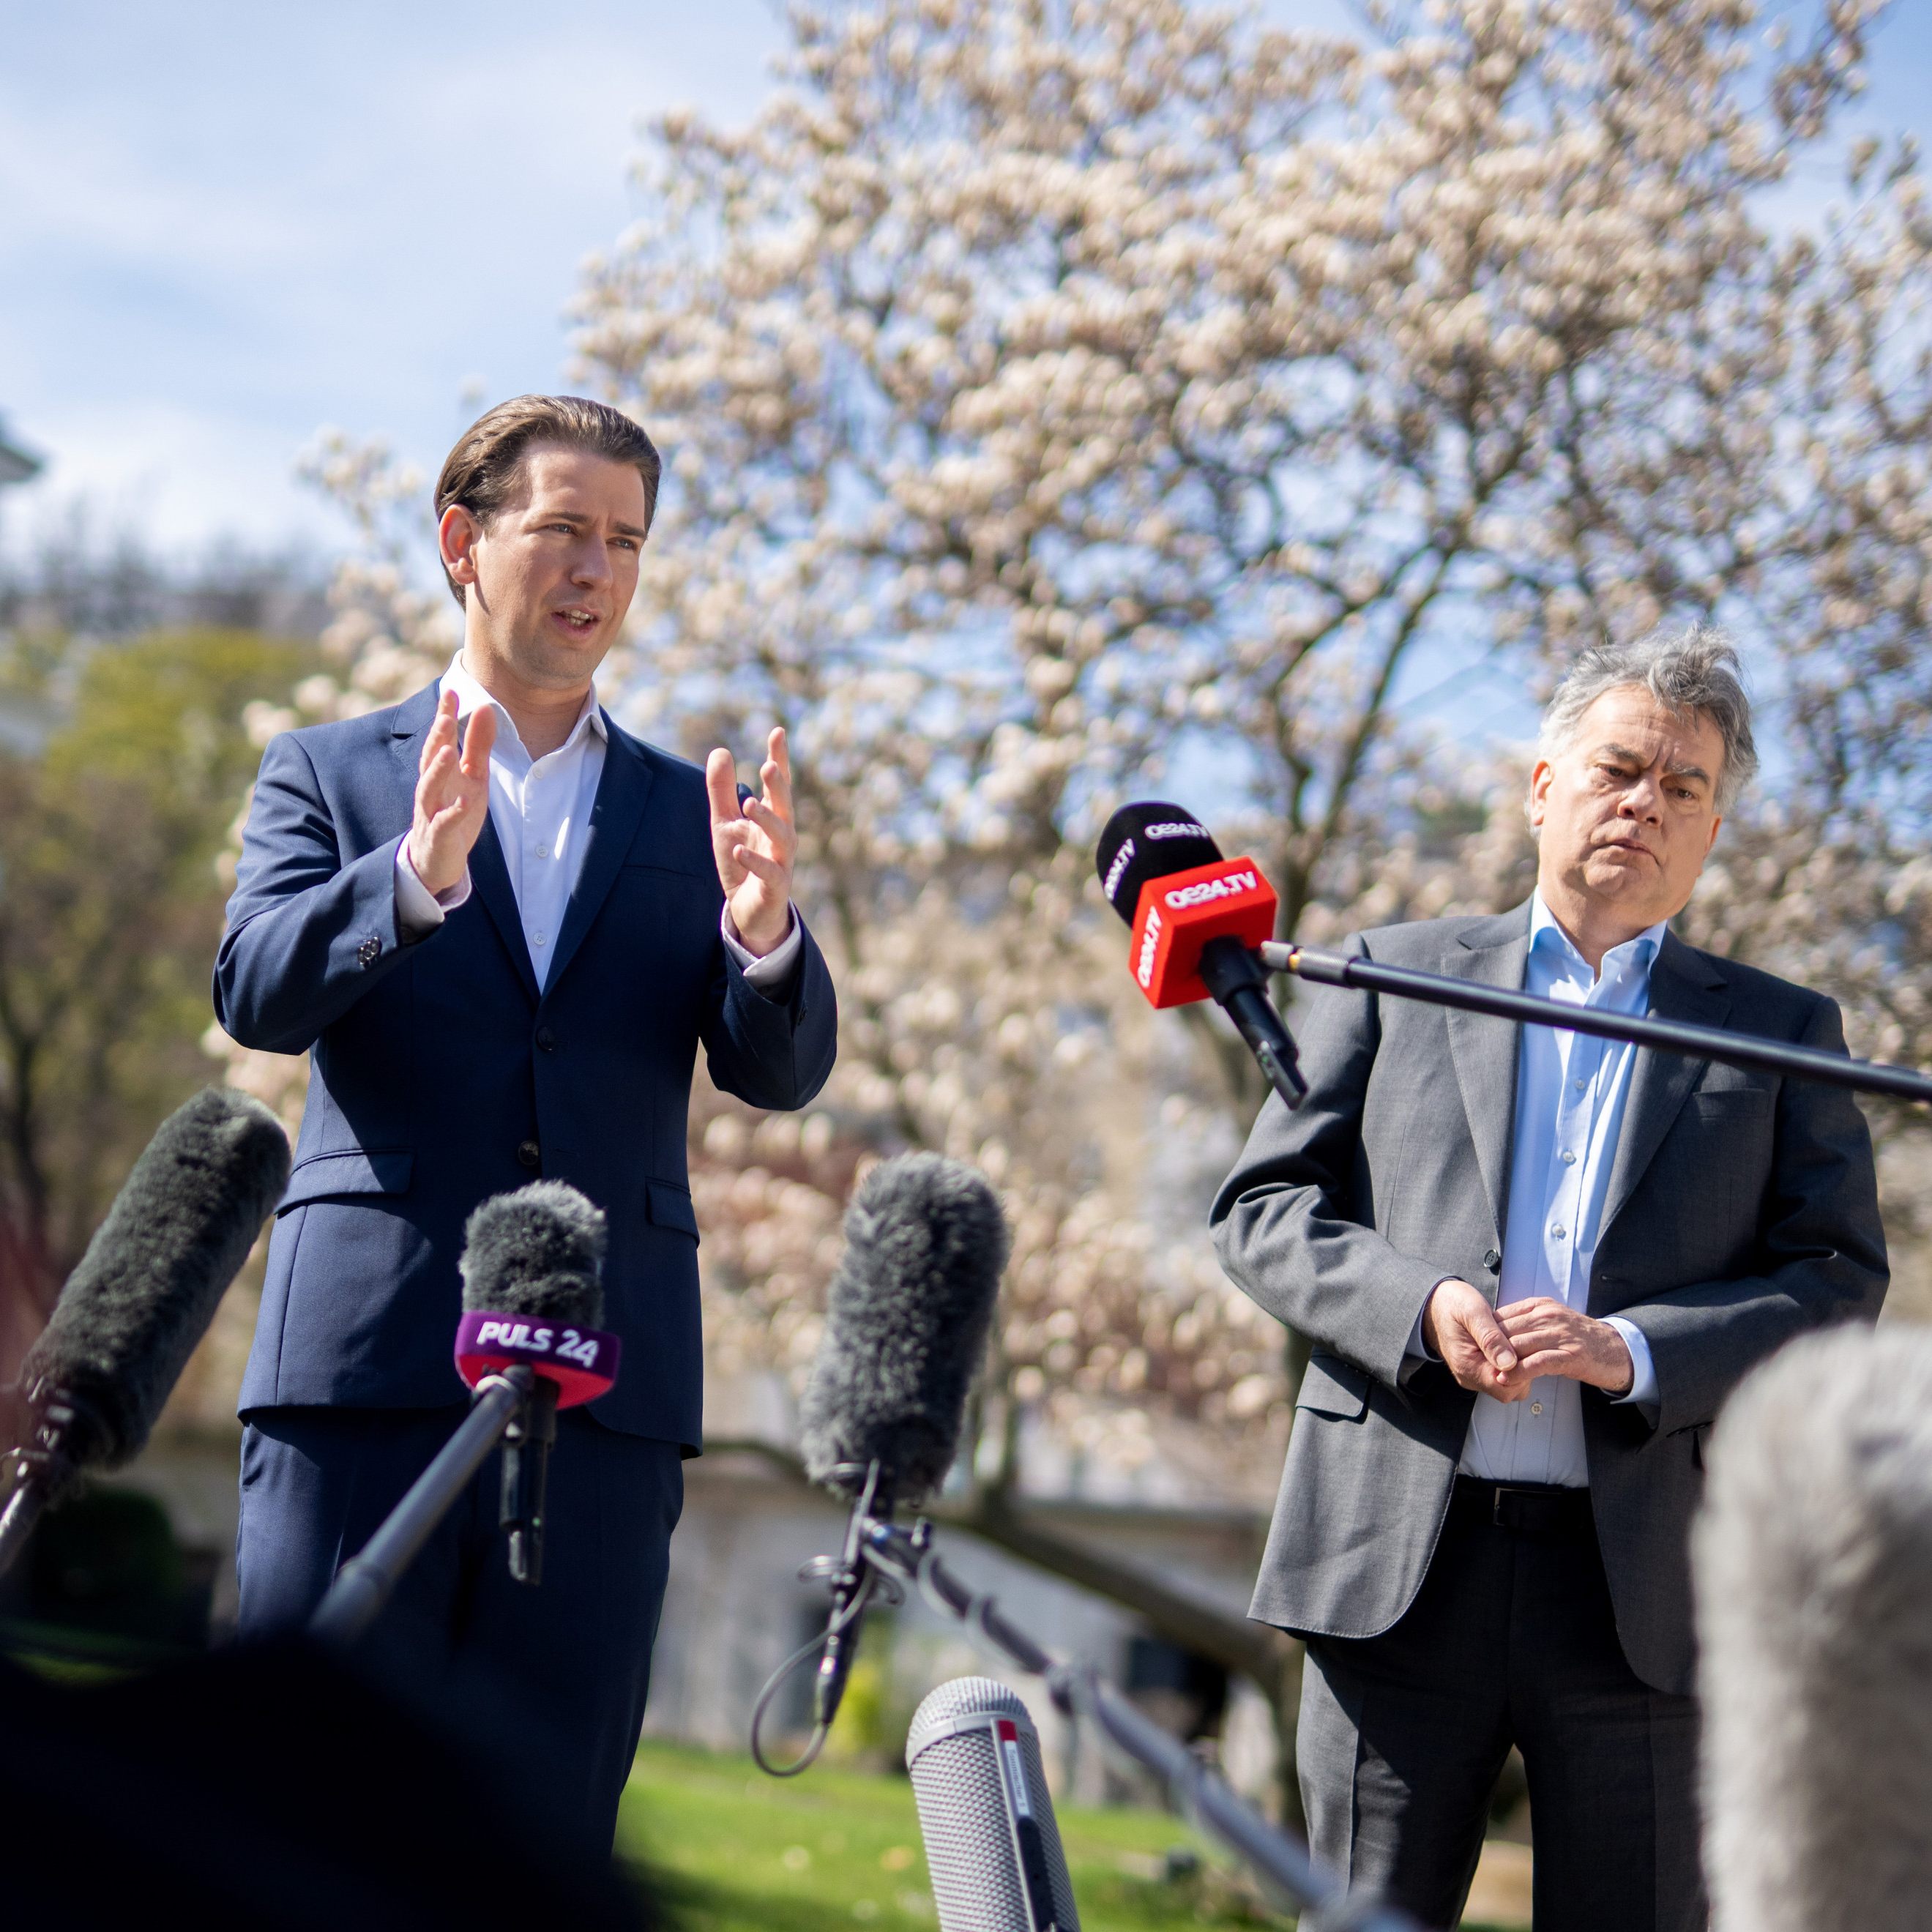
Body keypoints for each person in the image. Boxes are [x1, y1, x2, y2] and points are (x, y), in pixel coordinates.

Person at [214, 395, 838, 1854]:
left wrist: (763, 939)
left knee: (541, 1841)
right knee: (298, 1817)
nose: (596, 570)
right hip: (363, 1373)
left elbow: (779, 1075)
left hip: (604, 1393)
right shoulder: (327, 771)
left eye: (626, 540)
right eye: (563, 528)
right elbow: (254, 992)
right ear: (462, 542)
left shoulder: (692, 812)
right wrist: (410, 879)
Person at [1211, 625, 1887, 1932]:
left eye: (1683, 787)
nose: (1645, 804)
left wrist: (1636, 1350)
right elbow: (1262, 1211)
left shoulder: (1786, 1034)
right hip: (1398, 1569)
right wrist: (1420, 1307)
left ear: (1713, 831)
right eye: (1619, 769)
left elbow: (1836, 1281)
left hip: (1649, 1594)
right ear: (1541, 786)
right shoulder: (1389, 972)